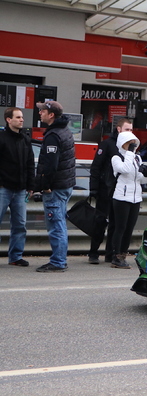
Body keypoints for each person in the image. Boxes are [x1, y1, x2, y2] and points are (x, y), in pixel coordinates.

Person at [34, 101, 76, 272]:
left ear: (51, 115)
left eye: (42, 111)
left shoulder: (53, 135)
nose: (40, 113)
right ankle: (59, 259)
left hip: (56, 187)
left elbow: (51, 164)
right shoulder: (64, 131)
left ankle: (58, 262)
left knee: (56, 225)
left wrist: (45, 186)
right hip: (64, 184)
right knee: (59, 223)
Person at [87, 117, 133, 264]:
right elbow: (96, 167)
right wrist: (93, 188)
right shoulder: (107, 144)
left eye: (131, 130)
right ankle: (93, 253)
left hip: (119, 191)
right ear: (119, 129)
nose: (130, 133)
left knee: (115, 224)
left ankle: (110, 253)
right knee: (100, 221)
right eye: (127, 129)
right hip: (104, 189)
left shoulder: (130, 149)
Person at [110, 131, 147, 269]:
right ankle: (116, 256)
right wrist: (130, 153)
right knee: (120, 227)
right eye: (129, 143)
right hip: (121, 197)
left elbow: (139, 179)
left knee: (129, 229)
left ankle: (123, 254)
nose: (133, 146)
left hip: (135, 198)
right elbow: (125, 169)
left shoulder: (136, 158)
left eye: (134, 143)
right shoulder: (116, 158)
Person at [0, 107, 35, 267]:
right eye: (18, 117)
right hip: (3, 188)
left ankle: (15, 257)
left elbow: (30, 164)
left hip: (21, 190)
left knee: (20, 225)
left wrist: (31, 186)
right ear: (9, 119)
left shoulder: (25, 139)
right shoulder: (1, 138)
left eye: (22, 117)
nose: (22, 120)